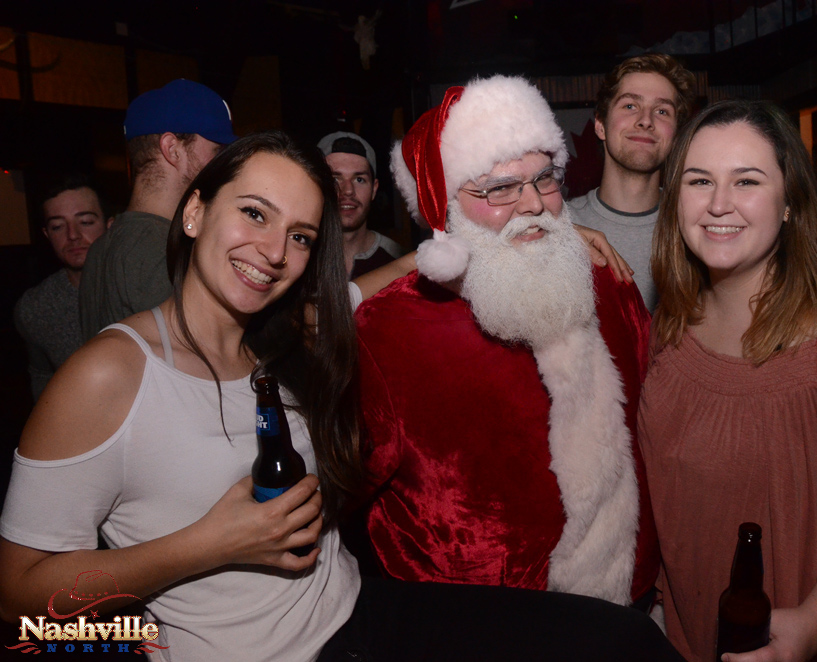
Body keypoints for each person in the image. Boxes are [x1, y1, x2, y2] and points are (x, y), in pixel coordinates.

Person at [0, 131, 672, 662]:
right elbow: (21, 599)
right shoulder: (108, 374)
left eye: (299, 236)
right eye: (254, 213)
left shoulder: (280, 334)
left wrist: (546, 231)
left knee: (620, 639)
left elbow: (386, 280)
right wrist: (208, 545)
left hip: (357, 613)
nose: (273, 251)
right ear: (196, 212)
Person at [355, 75, 661, 609]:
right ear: (447, 207)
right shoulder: (389, 329)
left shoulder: (610, 283)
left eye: (545, 179)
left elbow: (656, 434)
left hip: (623, 614)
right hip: (475, 628)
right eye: (499, 188)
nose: (533, 204)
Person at [640, 100, 817, 662]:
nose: (718, 203)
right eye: (699, 181)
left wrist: (813, 626)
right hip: (692, 633)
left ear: (791, 200)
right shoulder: (671, 323)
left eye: (747, 180)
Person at [79, 79, 237, 340]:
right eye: (217, 149)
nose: (223, 162)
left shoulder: (101, 247)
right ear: (172, 149)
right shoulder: (162, 250)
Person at [569, 53, 695, 310]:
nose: (646, 120)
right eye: (630, 106)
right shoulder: (560, 226)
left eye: (662, 111)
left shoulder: (698, 224)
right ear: (600, 125)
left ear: (675, 136)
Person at [14, 175, 110, 399]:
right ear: (47, 235)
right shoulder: (35, 308)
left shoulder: (143, 288)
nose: (73, 235)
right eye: (57, 226)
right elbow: (41, 376)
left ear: (109, 225)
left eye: (85, 222)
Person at [317, 131, 405, 279]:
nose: (348, 190)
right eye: (334, 180)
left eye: (359, 179)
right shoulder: (299, 257)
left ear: (374, 189)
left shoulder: (398, 261)